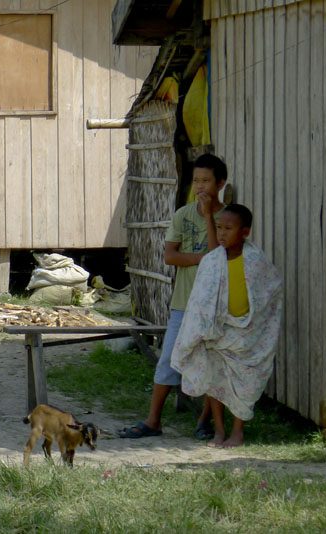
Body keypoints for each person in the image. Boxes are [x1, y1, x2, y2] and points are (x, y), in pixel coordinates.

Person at [118, 153, 228, 440]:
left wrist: (208, 220)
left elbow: (218, 258)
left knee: (212, 363)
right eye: (196, 181)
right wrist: (198, 258)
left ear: (221, 183)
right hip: (183, 303)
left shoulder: (228, 218)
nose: (200, 187)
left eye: (206, 181)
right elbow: (170, 256)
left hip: (215, 306)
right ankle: (153, 421)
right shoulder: (182, 215)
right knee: (168, 360)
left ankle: (204, 421)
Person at [170, 204, 282, 448]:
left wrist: (255, 319)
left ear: (244, 232)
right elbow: (200, 299)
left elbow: (271, 290)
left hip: (246, 333)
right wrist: (203, 326)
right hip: (217, 332)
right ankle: (219, 430)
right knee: (214, 379)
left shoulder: (256, 261)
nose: (221, 233)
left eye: (228, 228)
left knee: (246, 381)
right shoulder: (210, 262)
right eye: (218, 228)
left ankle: (237, 432)